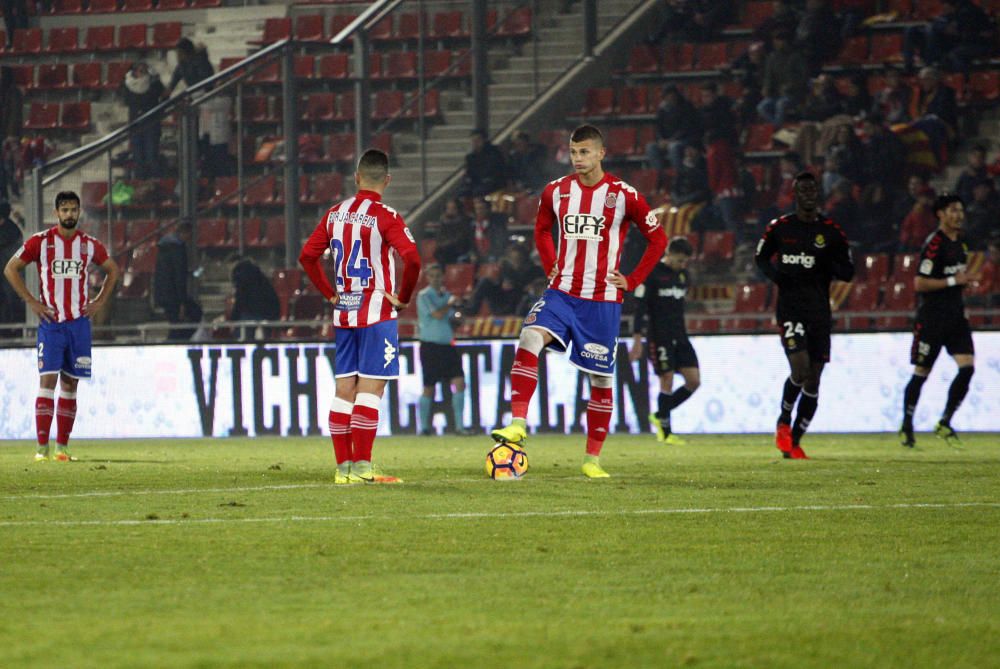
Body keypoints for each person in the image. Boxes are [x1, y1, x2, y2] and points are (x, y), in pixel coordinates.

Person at [491, 124, 667, 478]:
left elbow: (658, 240)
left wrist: (632, 280)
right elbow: (540, 229)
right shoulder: (555, 191)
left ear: (601, 153)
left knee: (600, 381)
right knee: (528, 337)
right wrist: (549, 264)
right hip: (562, 293)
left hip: (601, 301)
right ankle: (518, 423)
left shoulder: (623, 195)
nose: (577, 159)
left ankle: (591, 460)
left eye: (585, 152)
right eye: (573, 152)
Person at [298, 149, 420, 484]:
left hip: (344, 313)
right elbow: (413, 259)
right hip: (377, 312)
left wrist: (329, 293)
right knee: (369, 390)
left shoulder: (335, 214)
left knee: (344, 390)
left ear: (356, 177)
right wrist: (404, 297)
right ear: (388, 180)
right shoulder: (386, 216)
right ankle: (363, 467)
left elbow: (307, 256)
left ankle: (343, 469)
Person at [3, 191, 120, 462]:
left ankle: (62, 449)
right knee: (47, 382)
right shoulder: (40, 243)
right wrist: (31, 301)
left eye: (73, 209)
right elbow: (10, 268)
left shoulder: (89, 245)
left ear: (79, 212)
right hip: (51, 324)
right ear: (56, 213)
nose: (69, 214)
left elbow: (112, 270)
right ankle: (41, 449)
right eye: (64, 210)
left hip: (79, 324)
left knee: (70, 384)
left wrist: (99, 301)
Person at [754, 172, 854, 459]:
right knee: (800, 369)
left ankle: (795, 440)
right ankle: (783, 422)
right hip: (791, 310)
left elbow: (848, 271)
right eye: (803, 190)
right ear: (795, 194)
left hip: (820, 312)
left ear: (818, 194)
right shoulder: (780, 227)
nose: (808, 194)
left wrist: (828, 264)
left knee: (814, 380)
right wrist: (778, 278)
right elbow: (760, 257)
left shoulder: (832, 231)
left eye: (813, 189)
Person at [899, 194, 980, 448]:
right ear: (941, 214)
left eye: (960, 210)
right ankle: (907, 424)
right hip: (932, 318)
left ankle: (945, 421)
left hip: (955, 317)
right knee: (922, 372)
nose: (959, 215)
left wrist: (962, 281)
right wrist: (954, 281)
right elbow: (919, 283)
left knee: (967, 367)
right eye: (953, 210)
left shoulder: (962, 243)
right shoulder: (933, 244)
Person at [629, 237, 699, 445]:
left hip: (680, 335)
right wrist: (637, 338)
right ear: (668, 253)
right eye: (679, 260)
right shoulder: (651, 274)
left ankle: (661, 413)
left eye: (685, 261)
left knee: (694, 381)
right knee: (666, 378)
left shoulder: (683, 276)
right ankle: (667, 432)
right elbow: (639, 309)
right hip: (659, 336)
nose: (682, 265)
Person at [416, 264, 470, 436]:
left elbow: (452, 318)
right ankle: (424, 427)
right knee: (429, 387)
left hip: (448, 345)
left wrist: (459, 315)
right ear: (428, 278)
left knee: (460, 382)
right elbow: (437, 315)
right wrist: (450, 303)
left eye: (439, 275)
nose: (436, 279)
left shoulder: (447, 296)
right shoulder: (424, 296)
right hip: (430, 346)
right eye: (433, 276)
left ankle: (460, 427)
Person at [154, 221, 200, 341]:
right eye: (190, 234)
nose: (191, 237)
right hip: (173, 296)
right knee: (192, 316)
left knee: (176, 324)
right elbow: (179, 277)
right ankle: (172, 344)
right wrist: (182, 302)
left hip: (163, 293)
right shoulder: (178, 249)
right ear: (185, 232)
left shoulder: (164, 247)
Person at [118, 62, 165, 178]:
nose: (142, 73)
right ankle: (140, 182)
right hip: (135, 124)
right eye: (139, 70)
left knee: (151, 155)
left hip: (151, 123)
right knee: (138, 157)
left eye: (144, 70)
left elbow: (161, 93)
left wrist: (155, 80)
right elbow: (125, 99)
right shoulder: (127, 84)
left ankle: (155, 181)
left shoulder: (153, 83)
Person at [229, 258, 279, 339]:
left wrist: (233, 320)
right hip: (267, 315)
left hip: (250, 316)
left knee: (244, 335)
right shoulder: (265, 282)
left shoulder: (242, 284)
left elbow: (239, 303)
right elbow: (274, 301)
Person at [458, 128, 506, 198]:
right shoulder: (471, 157)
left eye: (478, 140)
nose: (475, 143)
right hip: (477, 182)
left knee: (479, 191)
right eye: (473, 141)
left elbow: (498, 170)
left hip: (493, 182)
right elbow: (469, 173)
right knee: (463, 192)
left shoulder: (494, 153)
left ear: (484, 140)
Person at [0, 201, 24, 331]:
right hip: (5, 275)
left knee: (10, 300)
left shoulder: (10, 231)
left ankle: (12, 329)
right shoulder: (9, 228)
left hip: (9, 276)